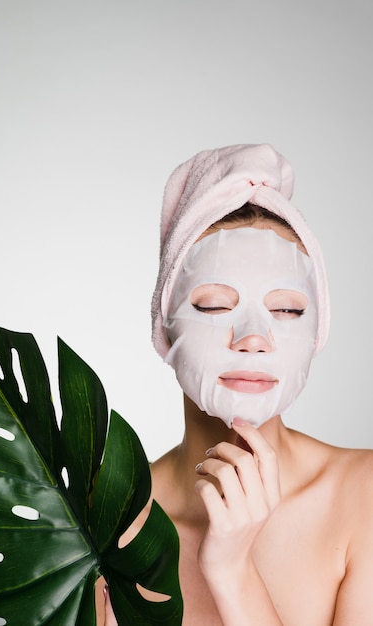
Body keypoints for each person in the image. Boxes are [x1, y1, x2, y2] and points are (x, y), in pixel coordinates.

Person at [97, 143, 373, 624]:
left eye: (286, 309)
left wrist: (233, 570)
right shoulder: (109, 525)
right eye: (213, 306)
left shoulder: (363, 496)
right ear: (165, 327)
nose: (253, 338)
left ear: (317, 331)